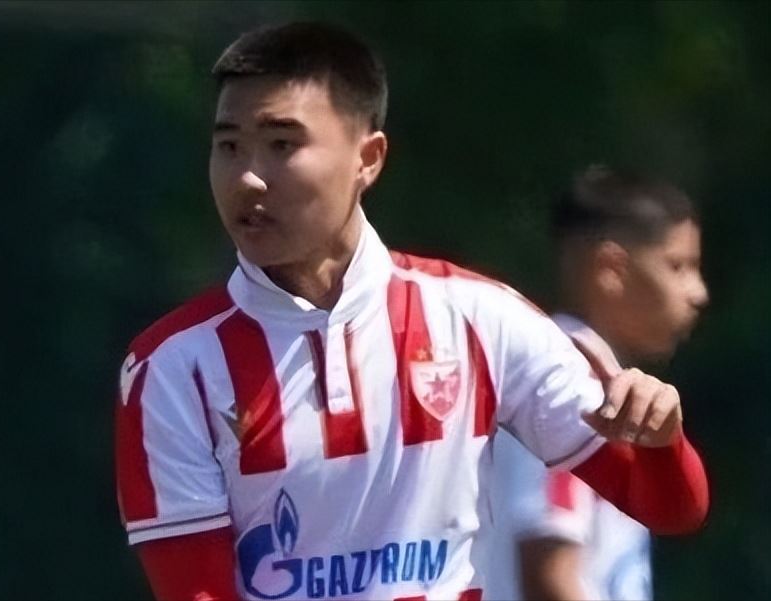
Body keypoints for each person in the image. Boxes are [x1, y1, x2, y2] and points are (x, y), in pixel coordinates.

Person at [114, 22, 708, 601]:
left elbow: (671, 508)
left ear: (368, 158)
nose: (247, 177)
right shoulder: (171, 369)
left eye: (281, 145)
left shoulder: (481, 318)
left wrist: (662, 441)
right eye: (228, 146)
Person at [485, 166, 710, 601]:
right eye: (678, 266)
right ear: (611, 269)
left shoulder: (590, 374)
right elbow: (549, 572)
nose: (698, 292)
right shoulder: (562, 382)